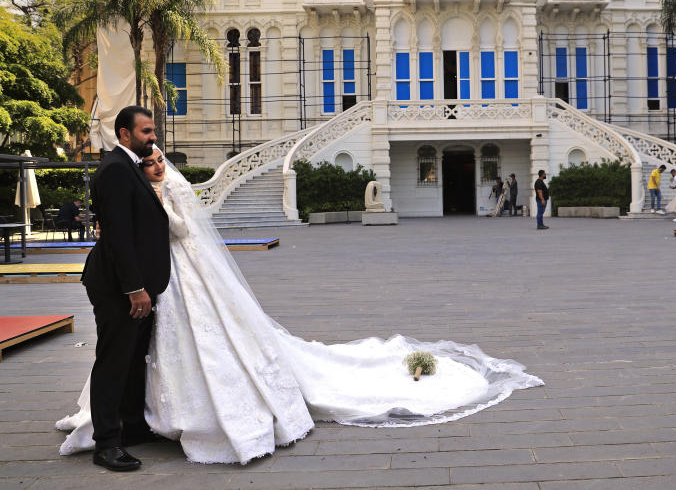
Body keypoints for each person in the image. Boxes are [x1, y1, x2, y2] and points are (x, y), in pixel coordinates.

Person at [58, 148, 543, 465]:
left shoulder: (166, 188)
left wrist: (162, 196)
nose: (155, 164)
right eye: (149, 160)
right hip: (166, 279)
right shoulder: (132, 181)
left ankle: (143, 419)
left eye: (159, 159)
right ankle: (133, 416)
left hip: (179, 274)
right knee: (147, 348)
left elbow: (180, 229)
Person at [78, 106, 170, 472]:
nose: (153, 138)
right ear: (124, 134)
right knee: (114, 363)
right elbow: (117, 237)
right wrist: (134, 288)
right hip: (119, 286)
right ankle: (107, 444)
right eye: (146, 131)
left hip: (138, 285)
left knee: (133, 360)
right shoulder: (116, 170)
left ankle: (132, 426)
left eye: (153, 131)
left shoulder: (131, 166)